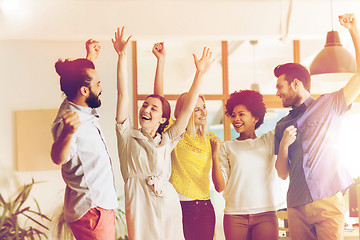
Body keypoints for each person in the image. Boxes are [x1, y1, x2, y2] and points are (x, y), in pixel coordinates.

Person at [113, 27, 214, 240]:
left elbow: (187, 109)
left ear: (163, 120)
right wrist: (122, 56)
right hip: (139, 202)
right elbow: (123, 94)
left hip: (167, 201)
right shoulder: (126, 135)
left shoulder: (166, 139)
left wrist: (200, 73)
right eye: (144, 106)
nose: (145, 110)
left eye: (153, 108)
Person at [274, 13, 360, 240]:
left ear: (296, 84)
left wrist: (353, 31)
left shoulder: (330, 104)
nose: (277, 92)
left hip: (327, 200)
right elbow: (282, 173)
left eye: (280, 86)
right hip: (295, 205)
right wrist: (283, 146)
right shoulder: (282, 125)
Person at [50, 39, 118, 239]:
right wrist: (68, 133)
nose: (101, 88)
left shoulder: (80, 102)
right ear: (84, 90)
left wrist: (90, 60)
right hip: (92, 209)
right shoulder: (68, 121)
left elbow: (82, 83)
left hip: (98, 206)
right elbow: (58, 157)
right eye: (98, 84)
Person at [152, 42, 216, 240]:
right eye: (196, 108)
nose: (203, 112)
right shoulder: (175, 135)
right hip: (179, 206)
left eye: (203, 107)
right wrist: (161, 61)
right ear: (184, 112)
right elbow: (158, 100)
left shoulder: (211, 139)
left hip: (205, 207)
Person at [210, 90, 287, 240]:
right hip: (234, 215)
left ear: (255, 117)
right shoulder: (226, 147)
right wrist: (214, 155)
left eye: (241, 114)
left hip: (265, 213)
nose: (236, 119)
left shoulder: (268, 140)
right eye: (233, 115)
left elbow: (294, 123)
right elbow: (219, 186)